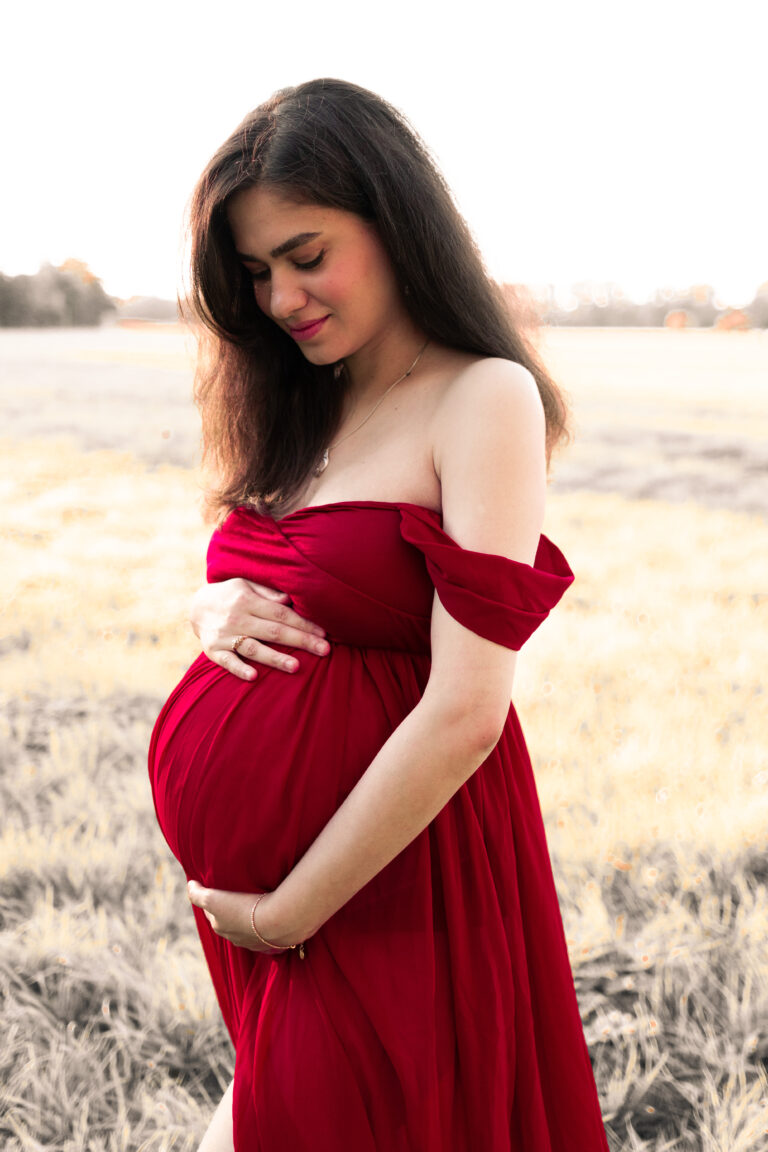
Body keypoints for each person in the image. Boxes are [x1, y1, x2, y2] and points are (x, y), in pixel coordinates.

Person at [148, 77, 611, 1152]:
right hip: (289, 906)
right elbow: (276, 576)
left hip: (395, 880)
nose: (281, 299)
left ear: (396, 220)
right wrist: (206, 603)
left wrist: (290, 911)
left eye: (308, 256)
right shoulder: (305, 396)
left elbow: (467, 709)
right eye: (258, 272)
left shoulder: (482, 395)